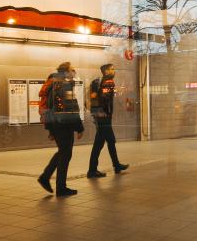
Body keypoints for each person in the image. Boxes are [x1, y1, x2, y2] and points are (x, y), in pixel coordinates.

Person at [38, 62, 84, 195]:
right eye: (72, 70)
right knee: (65, 154)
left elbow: (50, 108)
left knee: (62, 152)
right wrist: (79, 128)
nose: (74, 72)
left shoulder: (53, 84)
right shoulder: (64, 85)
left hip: (56, 124)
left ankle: (46, 177)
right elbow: (71, 107)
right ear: (66, 72)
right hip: (64, 125)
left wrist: (50, 129)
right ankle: (60, 187)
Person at [87, 63, 129, 178]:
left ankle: (114, 166)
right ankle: (94, 170)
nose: (114, 71)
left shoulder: (100, 82)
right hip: (103, 117)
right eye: (112, 69)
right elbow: (104, 99)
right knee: (107, 142)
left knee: (104, 142)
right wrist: (104, 113)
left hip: (100, 116)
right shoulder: (108, 82)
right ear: (106, 71)